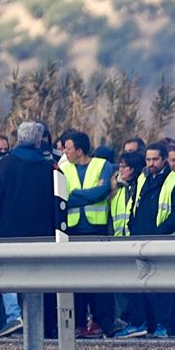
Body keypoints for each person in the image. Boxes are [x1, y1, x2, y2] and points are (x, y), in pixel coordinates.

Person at [0, 122, 65, 339]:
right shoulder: (50, 167)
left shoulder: (6, 164)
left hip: (8, 234)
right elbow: (59, 202)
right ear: (39, 141)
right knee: (42, 281)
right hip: (42, 235)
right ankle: (47, 327)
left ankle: (15, 319)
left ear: (18, 140)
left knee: (9, 278)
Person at [58, 129, 114, 339]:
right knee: (77, 281)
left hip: (97, 229)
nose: (65, 151)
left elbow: (102, 191)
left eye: (68, 148)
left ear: (79, 150)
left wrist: (75, 195)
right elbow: (62, 197)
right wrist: (85, 196)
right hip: (73, 231)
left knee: (99, 281)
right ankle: (80, 323)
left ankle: (101, 322)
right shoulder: (63, 168)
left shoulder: (102, 165)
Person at [128, 141, 175, 338]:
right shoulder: (143, 180)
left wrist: (160, 232)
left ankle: (164, 325)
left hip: (163, 242)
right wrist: (132, 227)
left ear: (164, 160)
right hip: (141, 242)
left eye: (155, 159)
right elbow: (134, 207)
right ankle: (146, 324)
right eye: (148, 159)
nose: (151, 163)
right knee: (142, 287)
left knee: (162, 288)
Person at [107, 148, 151, 338]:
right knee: (127, 287)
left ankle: (138, 322)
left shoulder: (137, 188)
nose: (120, 170)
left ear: (133, 169)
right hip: (120, 243)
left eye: (123, 167)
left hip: (134, 243)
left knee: (137, 288)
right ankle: (132, 321)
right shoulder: (118, 189)